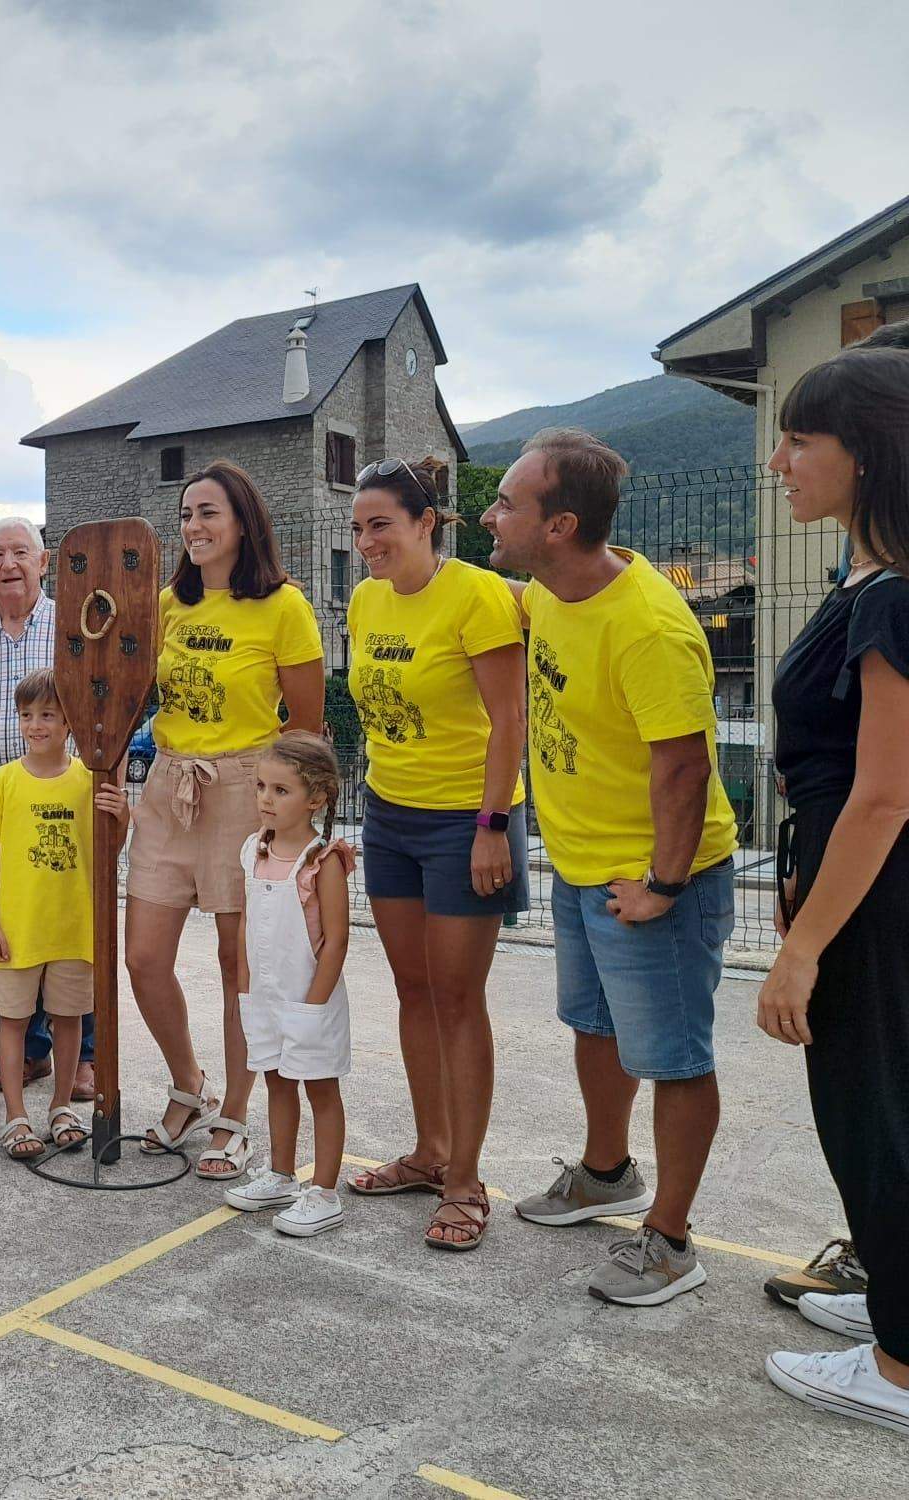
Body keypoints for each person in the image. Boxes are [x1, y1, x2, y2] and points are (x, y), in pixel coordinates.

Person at [483, 428, 738, 1307]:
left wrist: (664, 888)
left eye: (508, 502)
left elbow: (685, 767)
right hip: (585, 866)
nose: (490, 511)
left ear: (558, 525)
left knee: (673, 1057)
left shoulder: (651, 627)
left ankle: (669, 1239)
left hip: (656, 881)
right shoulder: (554, 591)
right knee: (595, 1027)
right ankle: (605, 1173)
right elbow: (502, 598)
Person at [755, 345, 909, 1432]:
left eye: (799, 438)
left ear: (865, 456)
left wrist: (804, 943)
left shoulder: (890, 596)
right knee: (877, 1108)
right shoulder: (864, 580)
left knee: (871, 1117)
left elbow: (881, 797)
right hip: (856, 880)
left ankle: (900, 1373)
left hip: (876, 893)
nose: (777, 460)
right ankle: (898, 1309)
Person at [341, 459, 528, 1251]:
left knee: (458, 998)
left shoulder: (477, 596)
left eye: (380, 523)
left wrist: (492, 824)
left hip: (466, 821)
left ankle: (464, 1180)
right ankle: (428, 1153)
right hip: (390, 816)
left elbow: (509, 721)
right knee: (414, 991)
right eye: (357, 528)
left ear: (426, 520)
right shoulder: (365, 599)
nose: (365, 542)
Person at [126, 461, 325, 1180]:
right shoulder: (167, 605)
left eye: (208, 513)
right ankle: (189, 1086)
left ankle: (236, 1115)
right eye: (186, 515)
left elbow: (307, 726)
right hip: (170, 785)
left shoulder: (283, 607)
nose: (195, 527)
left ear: (243, 521)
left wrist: (288, 817)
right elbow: (121, 688)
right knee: (143, 958)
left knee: (239, 965)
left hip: (246, 791)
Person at [0, 515, 99, 1098]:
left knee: (64, 924)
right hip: (2, 800)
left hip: (66, 794)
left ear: (43, 562)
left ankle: (83, 1056)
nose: (7, 564)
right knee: (17, 926)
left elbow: (98, 709)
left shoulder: (73, 629)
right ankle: (33, 1054)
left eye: (20, 552)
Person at [0, 669, 127, 1159]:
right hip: (17, 928)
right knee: (12, 1020)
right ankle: (16, 1116)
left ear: (70, 723)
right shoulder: (2, 782)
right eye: (27, 715)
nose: (36, 725)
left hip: (74, 929)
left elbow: (107, 851)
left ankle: (60, 1107)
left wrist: (122, 817)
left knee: (69, 1018)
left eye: (48, 715)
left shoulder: (87, 781)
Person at [222, 732, 354, 1237]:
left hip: (308, 999)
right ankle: (280, 1174)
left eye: (280, 791)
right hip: (266, 996)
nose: (264, 800)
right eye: (260, 787)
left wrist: (313, 1006)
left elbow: (336, 940)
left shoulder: (324, 861)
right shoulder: (253, 851)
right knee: (277, 1080)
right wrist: (244, 984)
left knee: (320, 1088)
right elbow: (247, 920)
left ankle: (323, 1190)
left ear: (316, 798)